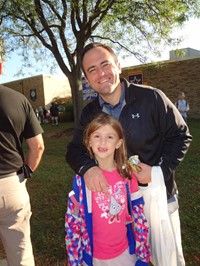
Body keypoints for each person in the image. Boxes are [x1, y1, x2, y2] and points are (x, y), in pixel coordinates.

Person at [66, 42, 192, 265]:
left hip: (155, 196)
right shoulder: (90, 113)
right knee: (131, 256)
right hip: (117, 205)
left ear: (118, 65)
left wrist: (158, 171)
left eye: (105, 64)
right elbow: (74, 150)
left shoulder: (152, 98)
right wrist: (88, 169)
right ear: (87, 78)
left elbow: (181, 136)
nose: (100, 73)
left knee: (166, 258)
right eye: (92, 69)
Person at [65, 112, 150, 266]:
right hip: (92, 257)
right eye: (97, 136)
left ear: (119, 143)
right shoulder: (81, 181)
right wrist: (75, 261)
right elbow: (73, 224)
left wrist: (143, 255)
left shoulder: (128, 175)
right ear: (88, 141)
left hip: (125, 254)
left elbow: (139, 217)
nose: (103, 141)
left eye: (110, 137)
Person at [0, 85, 45, 266]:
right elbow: (38, 146)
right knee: (21, 253)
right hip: (11, 184)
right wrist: (26, 173)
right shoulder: (18, 99)